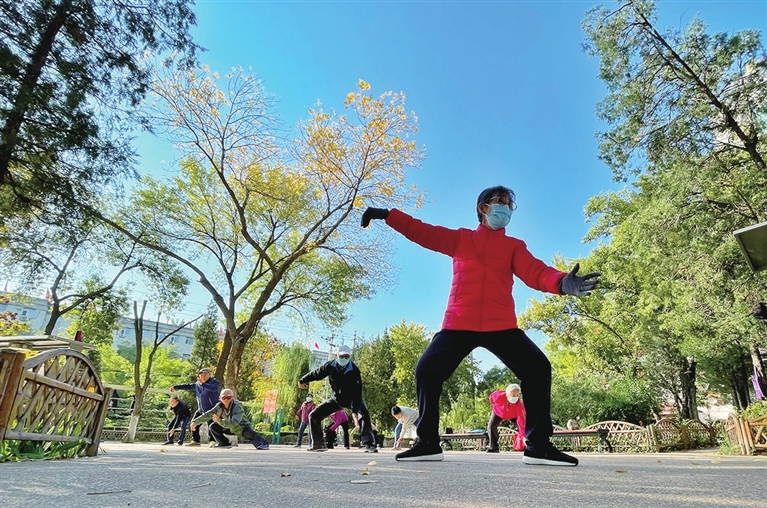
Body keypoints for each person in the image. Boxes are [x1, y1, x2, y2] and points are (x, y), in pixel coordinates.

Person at [361, 185, 599, 466]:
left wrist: (561, 282)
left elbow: (536, 272)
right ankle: (427, 443)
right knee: (427, 370)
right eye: (500, 201)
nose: (505, 208)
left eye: (509, 204)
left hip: (501, 324)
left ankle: (538, 446)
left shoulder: (514, 247)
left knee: (538, 368)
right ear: (483, 208)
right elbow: (422, 231)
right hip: (459, 322)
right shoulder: (461, 239)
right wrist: (388, 215)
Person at [298, 344, 378, 453]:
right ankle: (318, 444)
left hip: (351, 399)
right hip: (336, 400)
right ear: (336, 356)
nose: (344, 359)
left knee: (364, 413)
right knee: (314, 415)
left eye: (346, 357)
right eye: (341, 356)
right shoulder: (330, 366)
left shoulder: (354, 370)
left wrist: (355, 411)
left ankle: (369, 444)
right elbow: (317, 373)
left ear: (349, 357)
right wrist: (302, 380)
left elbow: (357, 392)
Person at [190, 388, 270, 450]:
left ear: (232, 397)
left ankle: (263, 443)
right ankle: (224, 443)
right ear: (220, 398)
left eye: (229, 397)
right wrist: (195, 422)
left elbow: (234, 422)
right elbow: (208, 414)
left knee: (249, 434)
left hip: (241, 428)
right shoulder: (218, 406)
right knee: (213, 427)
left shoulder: (237, 406)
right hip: (228, 428)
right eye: (224, 397)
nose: (226, 400)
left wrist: (220, 421)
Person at [171, 368, 224, 447]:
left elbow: (213, 388)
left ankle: (212, 441)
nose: (203, 377)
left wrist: (203, 384)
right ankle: (195, 441)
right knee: (194, 423)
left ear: (209, 375)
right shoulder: (197, 384)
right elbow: (187, 386)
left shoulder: (214, 381)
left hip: (212, 409)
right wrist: (175, 387)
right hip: (201, 410)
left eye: (205, 375)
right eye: (201, 375)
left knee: (211, 425)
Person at [486, 384, 526, 453]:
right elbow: (491, 398)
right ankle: (493, 448)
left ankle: (527, 445)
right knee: (491, 426)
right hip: (498, 412)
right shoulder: (498, 396)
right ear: (507, 394)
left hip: (512, 415)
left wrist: (524, 436)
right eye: (513, 395)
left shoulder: (519, 405)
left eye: (517, 395)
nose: (515, 397)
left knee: (525, 428)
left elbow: (521, 421)